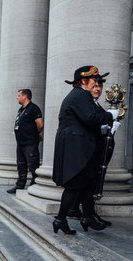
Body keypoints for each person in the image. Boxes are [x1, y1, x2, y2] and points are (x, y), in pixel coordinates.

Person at [52, 66, 118, 235]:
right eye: (94, 81)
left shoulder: (81, 96)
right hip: (76, 146)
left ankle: (87, 216)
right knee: (74, 185)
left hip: (79, 145)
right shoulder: (80, 95)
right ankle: (60, 219)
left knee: (87, 182)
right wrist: (111, 115)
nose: (97, 85)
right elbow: (91, 118)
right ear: (83, 81)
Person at [67, 76, 119, 226]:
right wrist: (107, 122)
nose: (97, 89)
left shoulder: (94, 104)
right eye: (94, 86)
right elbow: (90, 121)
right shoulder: (84, 102)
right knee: (88, 180)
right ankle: (84, 213)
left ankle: (84, 212)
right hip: (90, 149)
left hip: (98, 148)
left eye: (100, 87)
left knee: (91, 180)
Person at [7, 89, 44, 194]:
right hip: (20, 143)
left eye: (19, 95)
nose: (17, 97)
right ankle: (20, 185)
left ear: (25, 97)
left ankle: (34, 185)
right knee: (21, 165)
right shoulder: (21, 109)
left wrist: (34, 134)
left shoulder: (33, 108)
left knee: (33, 165)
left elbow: (40, 124)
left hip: (30, 142)